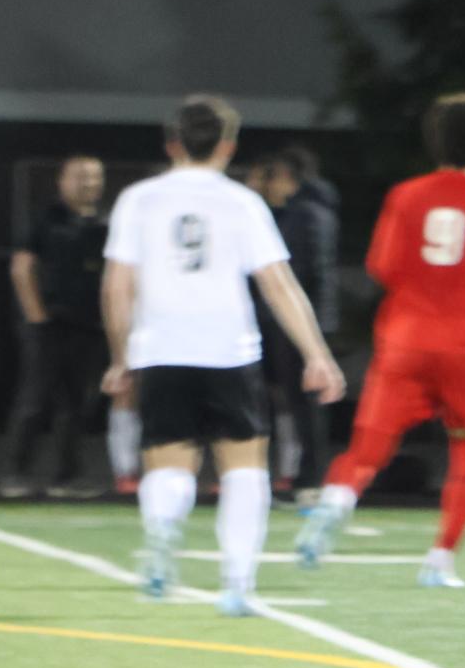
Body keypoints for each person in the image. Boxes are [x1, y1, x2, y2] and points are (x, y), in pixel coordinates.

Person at [100, 96, 343, 613]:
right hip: (228, 349)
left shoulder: (138, 199)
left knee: (168, 460)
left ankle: (164, 534)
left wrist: (121, 357)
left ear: (172, 143)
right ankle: (237, 583)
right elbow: (278, 283)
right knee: (244, 468)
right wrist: (315, 352)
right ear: (228, 147)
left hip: (160, 348)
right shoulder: (242, 202)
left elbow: (117, 286)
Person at [293, 92, 465, 588]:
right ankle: (440, 559)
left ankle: (336, 501)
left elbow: (383, 267)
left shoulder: (406, 195)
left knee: (368, 447)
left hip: (405, 340)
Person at [6, 155, 141, 497]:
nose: (89, 183)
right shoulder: (45, 219)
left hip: (90, 327)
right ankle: (16, 475)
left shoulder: (107, 223)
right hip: (49, 325)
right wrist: (37, 317)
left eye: (95, 177)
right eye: (81, 176)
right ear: (63, 180)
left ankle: (66, 477)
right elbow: (22, 268)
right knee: (35, 401)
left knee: (78, 404)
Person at [247, 148, 339, 498]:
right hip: (295, 320)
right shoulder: (303, 212)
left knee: (306, 403)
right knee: (296, 401)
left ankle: (311, 476)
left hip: (298, 323)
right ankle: (302, 473)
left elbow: (306, 274)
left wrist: (307, 325)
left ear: (287, 176)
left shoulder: (306, 214)